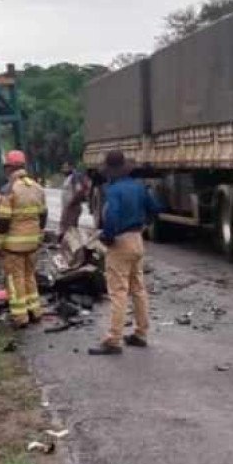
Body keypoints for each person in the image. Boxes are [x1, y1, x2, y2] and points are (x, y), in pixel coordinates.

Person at [90, 151, 157, 356]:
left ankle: (114, 339)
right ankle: (141, 333)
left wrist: (107, 237)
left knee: (118, 291)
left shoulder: (113, 190)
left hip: (120, 243)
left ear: (110, 171)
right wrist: (144, 225)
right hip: (137, 240)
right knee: (138, 288)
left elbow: (112, 216)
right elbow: (154, 209)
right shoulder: (139, 187)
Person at [0, 149, 47, 328]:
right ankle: (35, 311)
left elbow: (3, 220)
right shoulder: (37, 187)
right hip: (33, 243)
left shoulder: (8, 190)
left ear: (9, 168)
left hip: (14, 245)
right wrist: (38, 234)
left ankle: (20, 317)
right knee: (29, 276)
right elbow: (43, 215)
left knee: (15, 280)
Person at [59, 161, 90, 234]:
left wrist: (71, 203)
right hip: (69, 207)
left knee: (70, 230)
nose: (63, 170)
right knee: (66, 228)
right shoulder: (69, 178)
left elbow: (78, 191)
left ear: (71, 167)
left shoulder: (75, 177)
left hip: (72, 208)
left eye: (65, 168)